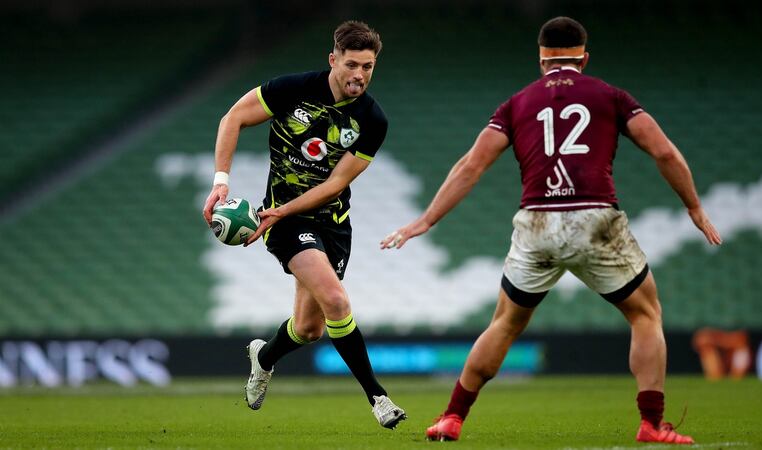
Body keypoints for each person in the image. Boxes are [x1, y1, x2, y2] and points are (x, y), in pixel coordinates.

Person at [381, 16, 721, 444]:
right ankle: (651, 424)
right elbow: (665, 152)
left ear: (541, 59)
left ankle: (452, 417)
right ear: (585, 57)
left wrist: (425, 220)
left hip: (536, 222)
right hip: (595, 219)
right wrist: (693, 207)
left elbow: (472, 165)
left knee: (504, 324)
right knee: (645, 314)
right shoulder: (611, 97)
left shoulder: (517, 103)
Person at [202, 20, 406, 430]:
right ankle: (378, 397)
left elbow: (336, 184)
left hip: (332, 223)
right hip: (284, 221)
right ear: (333, 60)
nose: (359, 75)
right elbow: (232, 118)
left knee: (310, 329)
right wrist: (221, 182)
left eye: (368, 67)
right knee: (337, 301)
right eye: (352, 65)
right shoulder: (291, 89)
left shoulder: (373, 120)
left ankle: (263, 358)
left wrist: (285, 209)